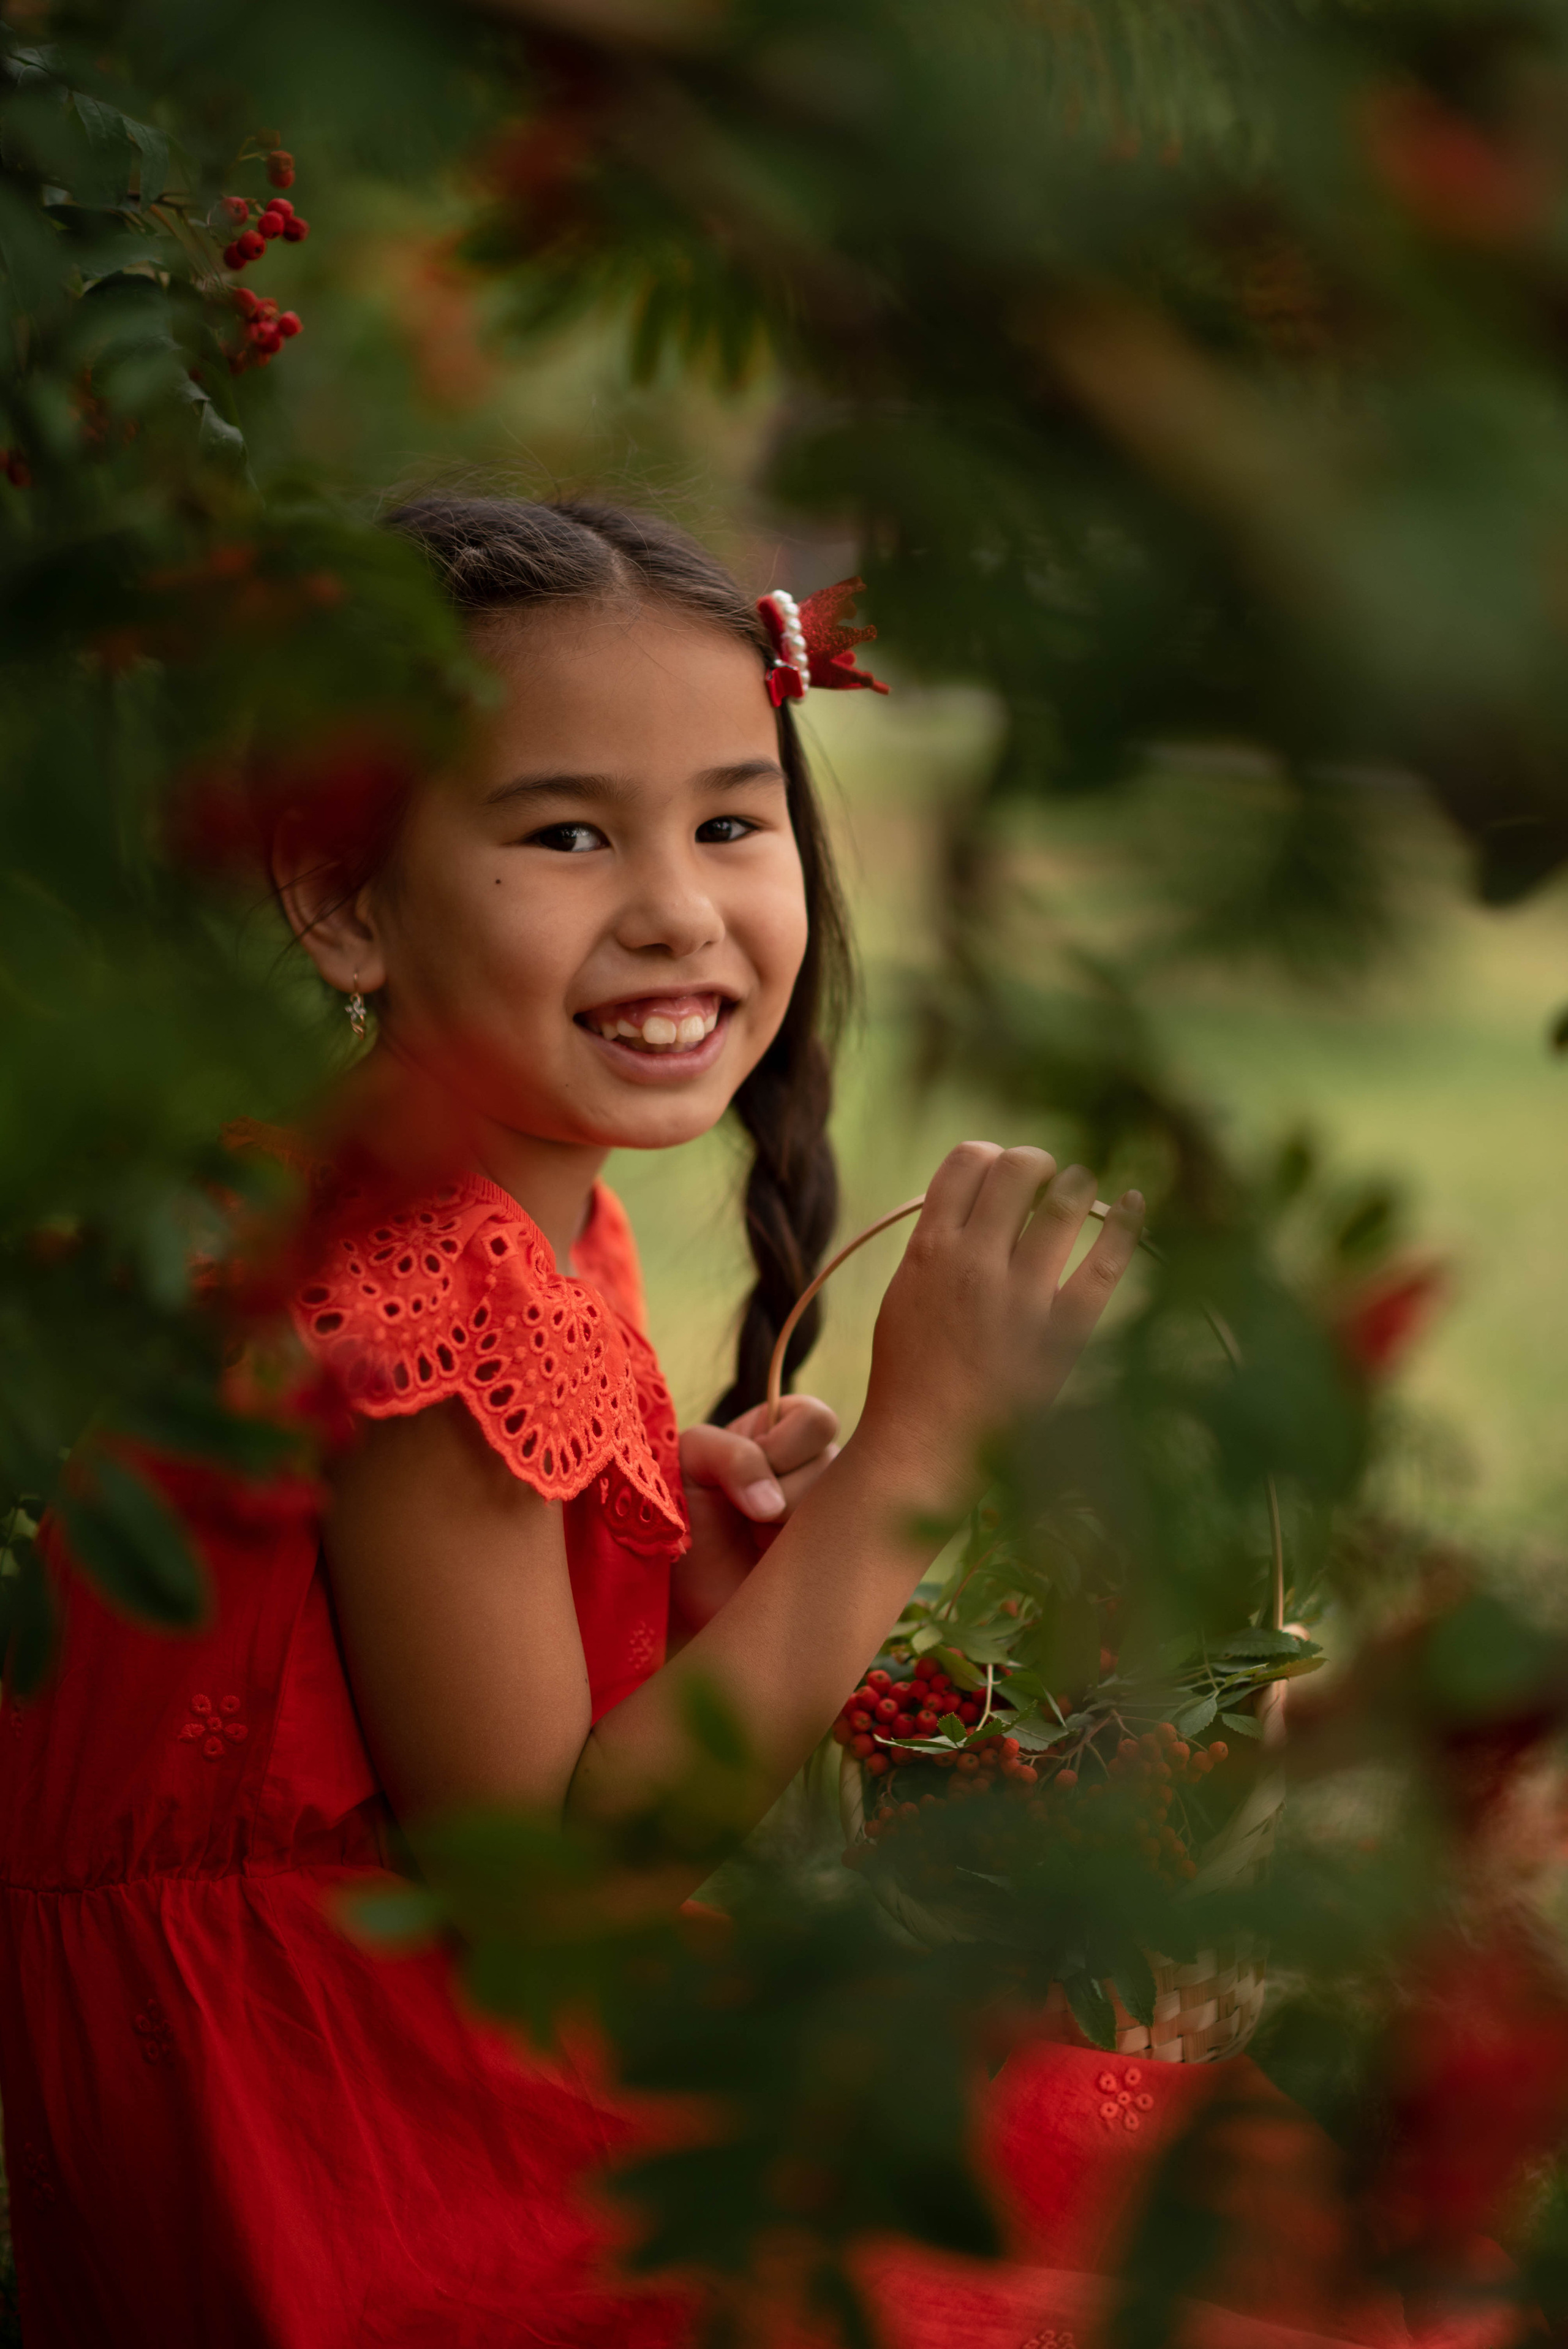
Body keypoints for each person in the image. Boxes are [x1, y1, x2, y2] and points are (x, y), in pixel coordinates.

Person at [0, 499, 1477, 2349]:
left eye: (729, 820)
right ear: (346, 900)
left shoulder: (465, 1219)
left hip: (407, 2079)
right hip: (379, 2161)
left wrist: (651, 1568)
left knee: (1199, 2196)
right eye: (565, 833)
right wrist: (918, 1451)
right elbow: (558, 1893)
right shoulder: (430, 1282)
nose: (678, 911)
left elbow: (396, 1704)